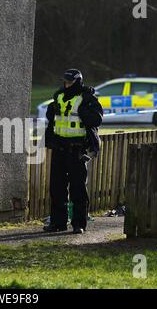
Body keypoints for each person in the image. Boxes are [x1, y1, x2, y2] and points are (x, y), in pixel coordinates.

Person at [43, 69, 103, 234]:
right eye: (65, 82)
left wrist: (86, 112)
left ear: (77, 82)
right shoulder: (59, 96)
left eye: (70, 82)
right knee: (57, 189)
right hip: (59, 149)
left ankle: (79, 224)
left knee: (78, 189)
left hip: (77, 149)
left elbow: (97, 119)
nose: (67, 84)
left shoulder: (87, 97)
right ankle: (58, 223)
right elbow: (53, 119)